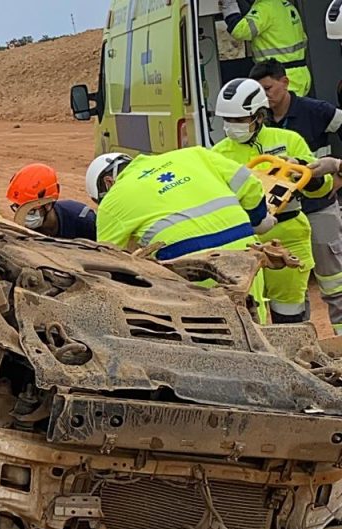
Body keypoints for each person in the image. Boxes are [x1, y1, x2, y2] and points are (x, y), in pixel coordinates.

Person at [87, 147, 273, 322]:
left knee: (212, 332)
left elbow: (107, 263)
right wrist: (256, 219)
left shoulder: (113, 200)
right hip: (245, 251)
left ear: (108, 183)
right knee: (255, 323)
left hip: (190, 266)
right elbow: (249, 183)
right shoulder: (195, 154)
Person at [212, 78, 335, 324]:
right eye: (227, 120)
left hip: (288, 234)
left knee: (289, 315)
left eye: (239, 120)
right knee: (247, 314)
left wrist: (305, 175)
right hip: (245, 240)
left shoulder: (289, 140)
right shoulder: (217, 154)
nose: (231, 126)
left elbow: (321, 189)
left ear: (259, 115)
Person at [251, 59, 342, 333]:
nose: (265, 96)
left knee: (333, 280)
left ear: (285, 82)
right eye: (259, 92)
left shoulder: (317, 111)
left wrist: (338, 171)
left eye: (268, 88)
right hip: (285, 215)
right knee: (295, 284)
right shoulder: (261, 126)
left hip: (319, 205)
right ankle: (306, 339)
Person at [221, 0, 312, 96]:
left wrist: (229, 4)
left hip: (280, 79)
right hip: (299, 76)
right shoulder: (286, 5)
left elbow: (239, 30)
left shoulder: (265, 7)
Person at [6, 163, 97, 240]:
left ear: (48, 204)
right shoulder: (20, 233)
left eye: (30, 210)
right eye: (18, 207)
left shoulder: (83, 221)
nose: (23, 215)